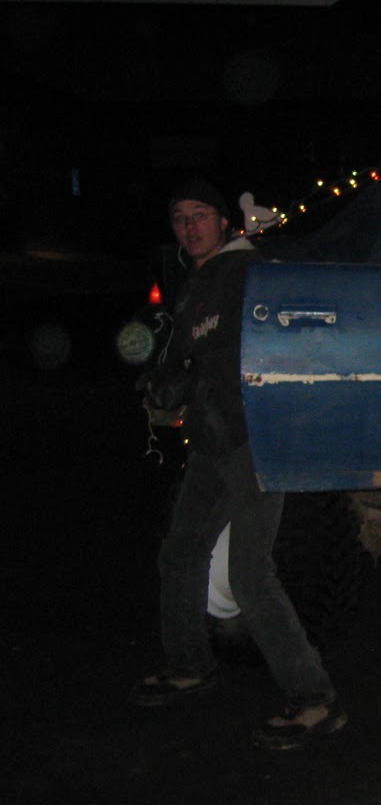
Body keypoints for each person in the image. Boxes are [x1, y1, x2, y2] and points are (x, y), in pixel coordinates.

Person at [130, 178, 345, 749]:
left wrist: (185, 385)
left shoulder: (246, 272)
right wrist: (163, 384)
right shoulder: (200, 281)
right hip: (214, 440)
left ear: (225, 222)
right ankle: (190, 664)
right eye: (180, 217)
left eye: (201, 214)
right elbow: (187, 356)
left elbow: (257, 344)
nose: (190, 226)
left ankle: (314, 699)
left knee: (250, 574)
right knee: (181, 552)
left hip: (254, 437)